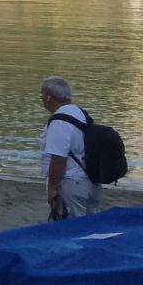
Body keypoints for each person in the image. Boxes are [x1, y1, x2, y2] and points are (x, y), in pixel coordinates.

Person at [41, 76, 103, 219]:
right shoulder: (80, 114)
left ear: (48, 97)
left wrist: (52, 188)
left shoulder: (59, 121)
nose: (42, 101)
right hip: (90, 181)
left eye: (42, 97)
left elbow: (58, 159)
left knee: (71, 228)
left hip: (72, 183)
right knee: (90, 226)